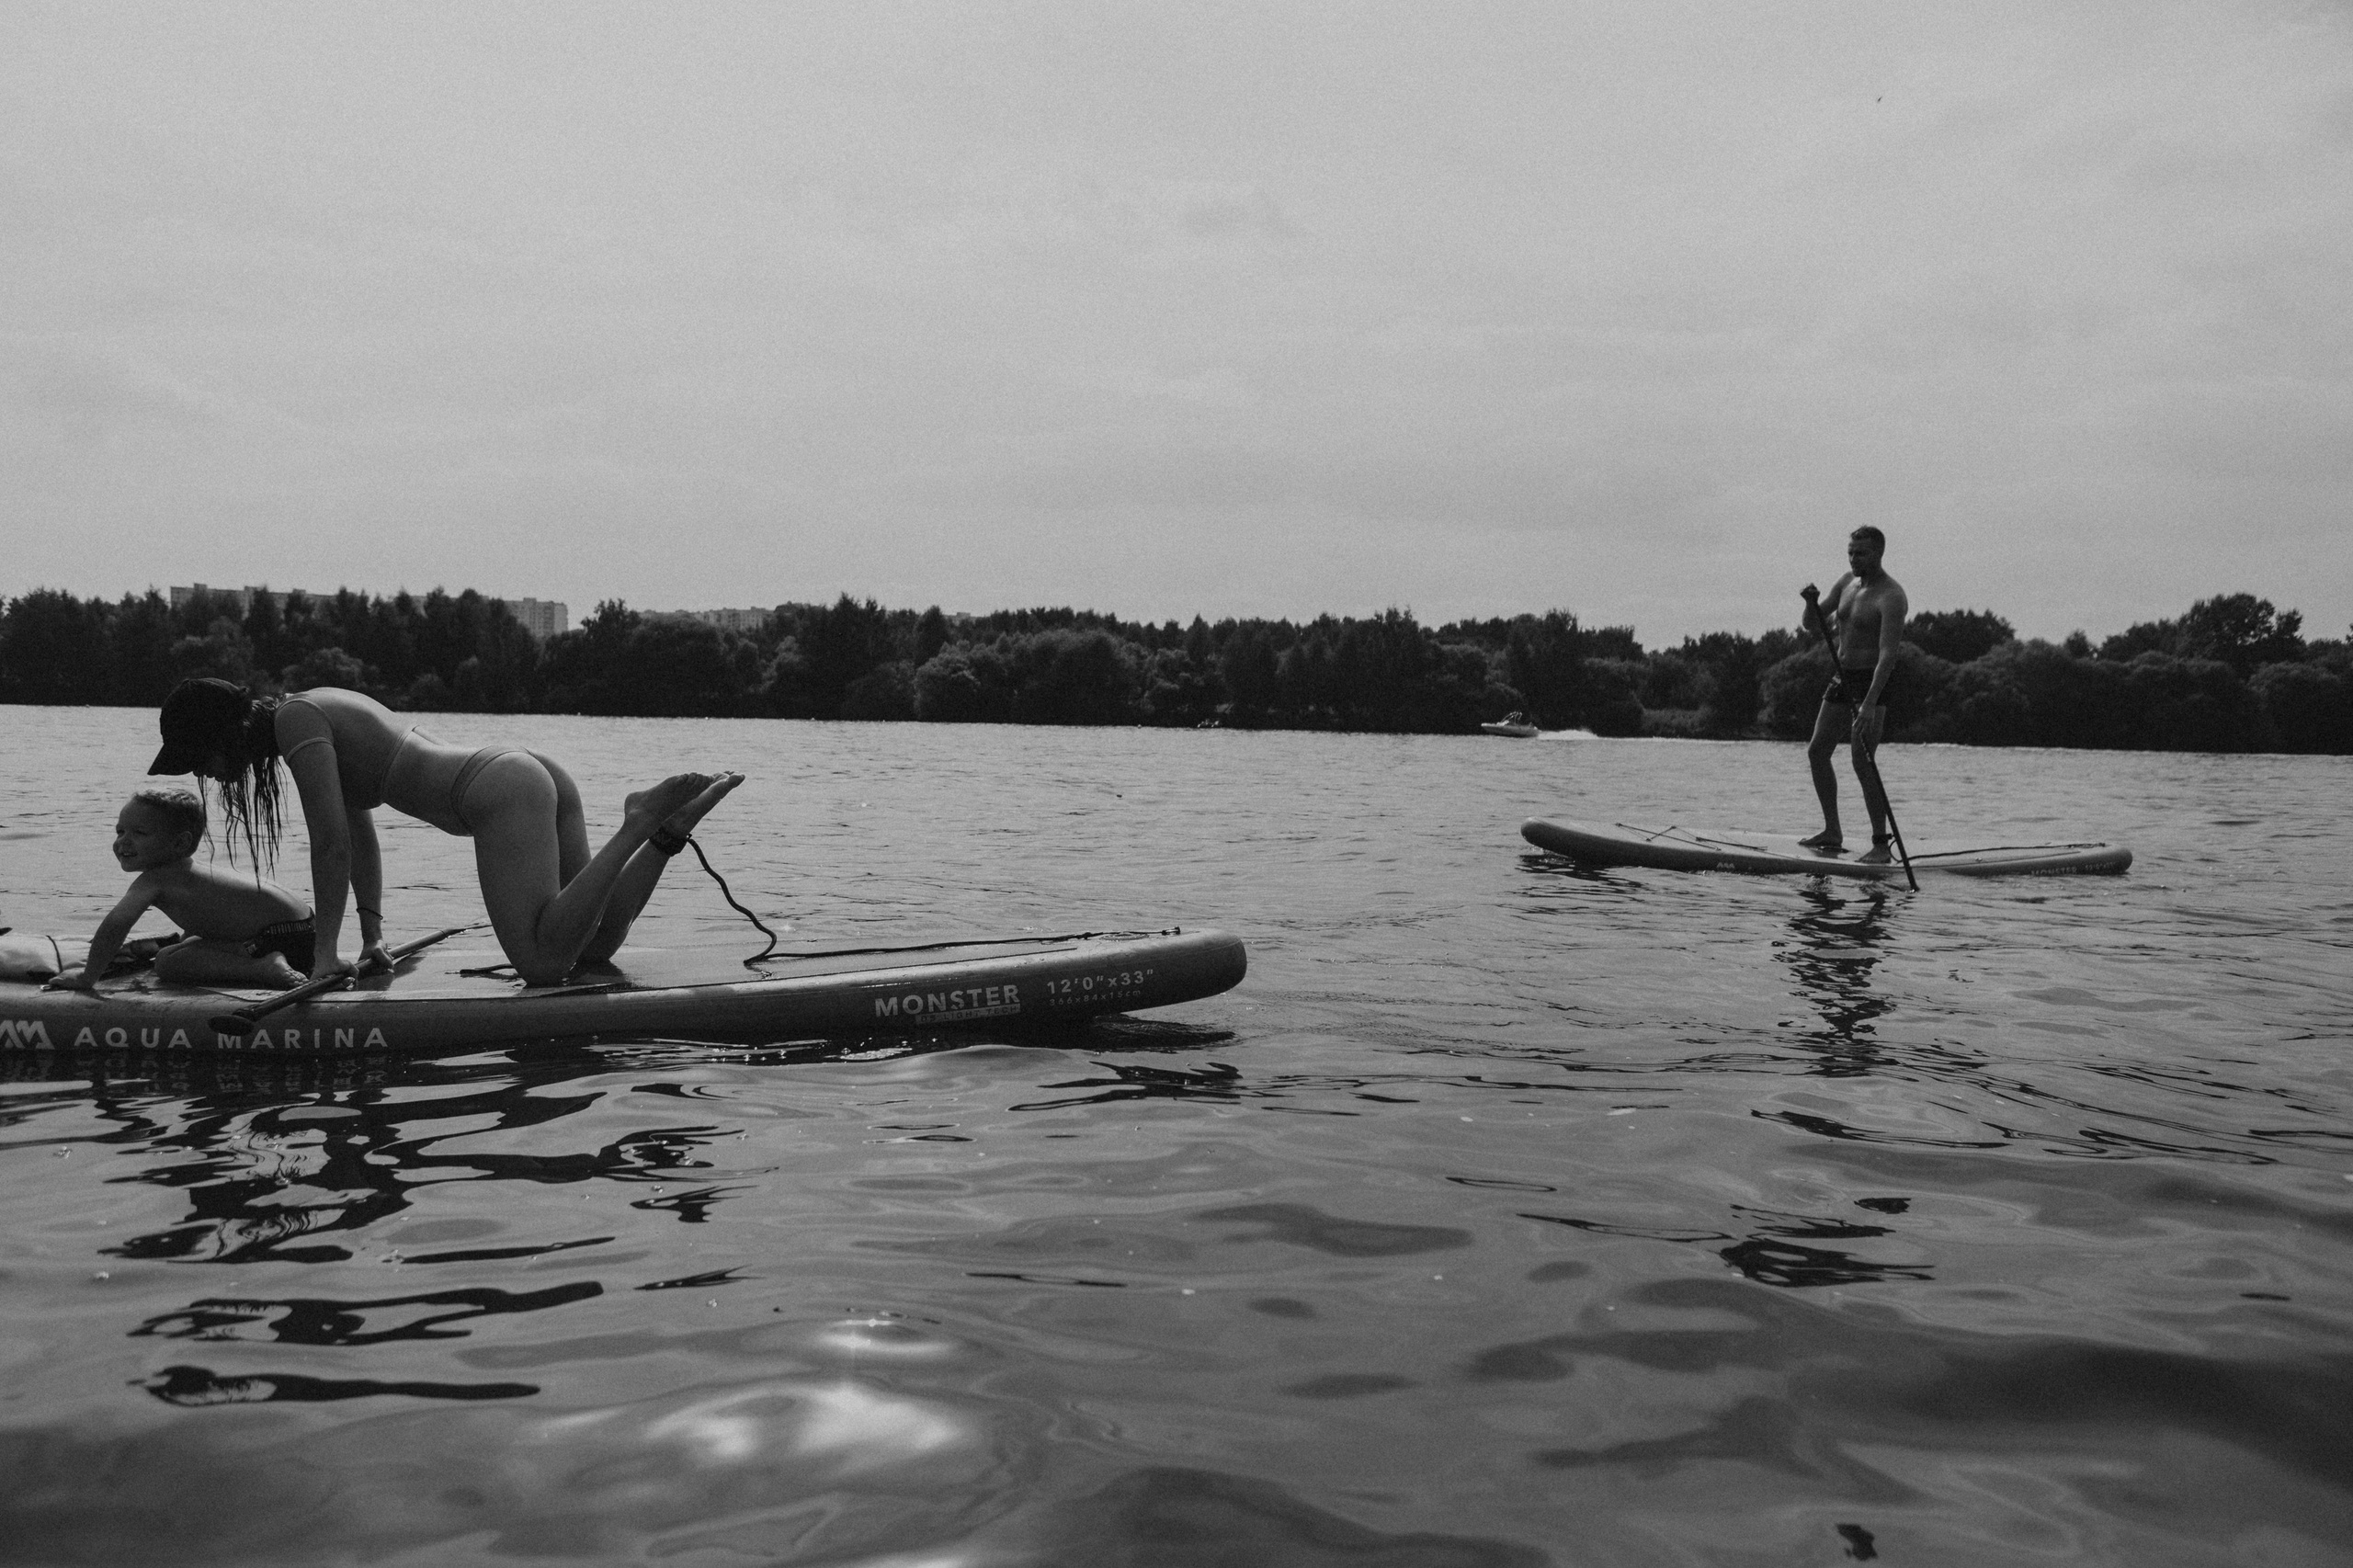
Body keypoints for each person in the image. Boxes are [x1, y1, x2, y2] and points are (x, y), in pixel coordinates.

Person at [145, 679, 740, 987]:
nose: (201, 773)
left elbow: (331, 845)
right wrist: (372, 938)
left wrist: (326, 957)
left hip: (501, 790)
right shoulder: (311, 709)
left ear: (222, 732)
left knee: (541, 965)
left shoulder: (295, 722)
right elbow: (359, 834)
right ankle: (664, 834)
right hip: (521, 772)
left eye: (197, 758)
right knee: (595, 945)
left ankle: (637, 823)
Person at [43, 787, 315, 990]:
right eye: (120, 831)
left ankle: (261, 968)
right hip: (306, 932)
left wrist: (86, 976)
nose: (124, 842)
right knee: (181, 948)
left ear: (179, 844)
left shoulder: (155, 879)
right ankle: (266, 961)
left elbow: (117, 923)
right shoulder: (192, 872)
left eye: (139, 833)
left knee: (168, 963)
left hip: (276, 940)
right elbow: (214, 920)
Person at [1801, 526, 1908, 862]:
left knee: (1862, 762)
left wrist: (1870, 703)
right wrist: (1810, 603)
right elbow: (1812, 624)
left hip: (1873, 681)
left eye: (1860, 553)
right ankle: (1833, 831)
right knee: (1818, 751)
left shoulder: (1891, 596)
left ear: (1878, 554)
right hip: (1843, 674)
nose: (1853, 558)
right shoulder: (1846, 583)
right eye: (1850, 552)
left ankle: (1880, 845)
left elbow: (1889, 655)